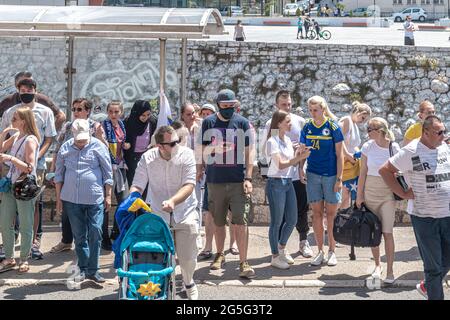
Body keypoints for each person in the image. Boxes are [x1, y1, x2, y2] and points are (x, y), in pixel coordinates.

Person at [379, 116, 449, 300]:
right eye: (439, 132)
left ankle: (427, 287)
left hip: (447, 214)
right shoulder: (410, 151)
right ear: (425, 133)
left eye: (444, 131)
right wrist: (402, 193)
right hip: (424, 217)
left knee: (446, 261)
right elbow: (385, 170)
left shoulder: (444, 147)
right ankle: (433, 290)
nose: (443, 136)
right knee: (433, 268)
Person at [129, 125, 201, 300]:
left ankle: (189, 282)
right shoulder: (148, 158)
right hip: (158, 215)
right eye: (173, 143)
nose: (177, 145)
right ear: (160, 146)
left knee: (187, 257)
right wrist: (132, 198)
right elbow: (138, 184)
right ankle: (159, 287)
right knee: (158, 256)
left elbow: (189, 185)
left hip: (185, 212)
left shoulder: (187, 154)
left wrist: (173, 201)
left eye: (178, 141)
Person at [197, 89, 256, 279]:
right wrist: (201, 166)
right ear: (218, 105)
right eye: (225, 106)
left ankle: (243, 262)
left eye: (232, 106)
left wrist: (248, 178)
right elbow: (201, 150)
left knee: (241, 222)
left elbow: (249, 152)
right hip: (215, 181)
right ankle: (219, 254)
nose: (229, 109)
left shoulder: (242, 122)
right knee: (218, 221)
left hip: (238, 181)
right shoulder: (208, 122)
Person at [0, 78, 57, 260]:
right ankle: (10, 247)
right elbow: (3, 143)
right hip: (11, 170)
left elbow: (48, 138)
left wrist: (36, 155)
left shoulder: (45, 112)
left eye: (29, 89)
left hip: (31, 169)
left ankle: (32, 244)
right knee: (9, 213)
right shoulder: (10, 113)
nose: (26, 92)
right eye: (22, 89)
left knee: (32, 206)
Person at [55, 119, 113, 283]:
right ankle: (84, 269)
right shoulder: (65, 148)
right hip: (71, 200)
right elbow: (59, 174)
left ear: (90, 133)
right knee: (79, 236)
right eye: (78, 139)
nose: (81, 142)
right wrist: (59, 199)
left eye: (84, 138)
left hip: (94, 198)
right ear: (73, 135)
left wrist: (108, 195)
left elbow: (108, 173)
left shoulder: (98, 146)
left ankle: (94, 270)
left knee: (95, 232)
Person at [49, 98, 106, 254]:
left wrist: (100, 137)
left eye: (79, 109)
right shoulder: (67, 126)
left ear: (88, 111)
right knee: (67, 210)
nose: (76, 112)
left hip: (89, 174)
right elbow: (57, 148)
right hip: (69, 173)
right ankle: (66, 241)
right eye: (74, 109)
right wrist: (54, 170)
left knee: (89, 213)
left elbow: (106, 152)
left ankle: (87, 245)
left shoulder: (95, 126)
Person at [264, 90, 312, 257]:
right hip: (280, 176)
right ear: (277, 105)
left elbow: (301, 145)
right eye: (284, 105)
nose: (288, 107)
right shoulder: (273, 124)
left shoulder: (298, 121)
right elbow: (273, 150)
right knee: (280, 217)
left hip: (297, 174)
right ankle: (277, 250)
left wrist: (301, 166)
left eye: (290, 104)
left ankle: (303, 242)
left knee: (301, 210)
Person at [299, 96, 344, 267]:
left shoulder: (333, 126)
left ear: (323, 110)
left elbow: (340, 155)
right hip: (313, 174)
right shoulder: (307, 127)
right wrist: (300, 168)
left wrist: (339, 179)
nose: (312, 113)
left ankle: (332, 250)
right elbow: (303, 151)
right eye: (310, 110)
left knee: (331, 215)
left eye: (315, 110)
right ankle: (320, 251)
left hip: (331, 175)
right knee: (316, 214)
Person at [356, 118, 400, 284]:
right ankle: (377, 265)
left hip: (387, 193)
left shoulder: (393, 147)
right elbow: (362, 173)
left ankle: (390, 270)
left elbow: (399, 170)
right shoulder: (367, 146)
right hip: (370, 191)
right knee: (372, 231)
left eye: (370, 129)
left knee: (388, 232)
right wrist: (359, 196)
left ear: (380, 130)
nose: (367, 132)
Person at [0, 108, 40, 273]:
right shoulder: (17, 136)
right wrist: (3, 133)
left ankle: (24, 259)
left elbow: (29, 168)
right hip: (10, 185)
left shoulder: (30, 140)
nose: (13, 121)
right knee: (4, 222)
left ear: (24, 120)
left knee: (25, 224)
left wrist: (11, 158)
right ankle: (9, 258)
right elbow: (1, 148)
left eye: (15, 118)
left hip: (24, 187)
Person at [102, 101, 131, 250]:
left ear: (121, 112)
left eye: (116, 112)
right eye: (111, 112)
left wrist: (126, 145)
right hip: (107, 167)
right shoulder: (102, 126)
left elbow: (123, 142)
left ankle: (117, 231)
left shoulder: (121, 125)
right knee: (105, 203)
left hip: (120, 166)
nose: (113, 115)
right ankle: (104, 237)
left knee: (124, 201)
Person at [0, 71, 66, 130]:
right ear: (17, 87)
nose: (28, 85)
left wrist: (50, 134)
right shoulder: (8, 102)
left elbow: (61, 115)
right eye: (24, 83)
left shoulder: (42, 100)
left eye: (31, 83)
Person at [339, 101, 372, 209]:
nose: (363, 121)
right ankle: (334, 221)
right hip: (344, 162)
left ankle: (341, 221)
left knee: (347, 196)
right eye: (363, 118)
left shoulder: (354, 125)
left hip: (352, 162)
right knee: (343, 195)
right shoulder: (346, 120)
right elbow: (338, 139)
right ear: (358, 112)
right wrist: (348, 155)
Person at [123, 100, 157, 188]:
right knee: (134, 184)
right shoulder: (128, 122)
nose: (145, 118)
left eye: (148, 115)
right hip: (131, 159)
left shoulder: (152, 121)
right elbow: (123, 138)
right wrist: (126, 145)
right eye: (143, 115)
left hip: (147, 157)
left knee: (146, 184)